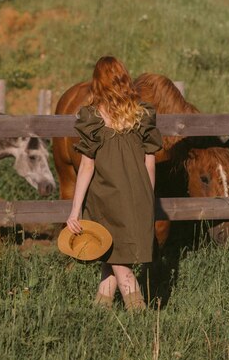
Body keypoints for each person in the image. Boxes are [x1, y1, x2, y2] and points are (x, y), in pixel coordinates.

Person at [66, 56, 163, 310]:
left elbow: (87, 165)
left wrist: (75, 210)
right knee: (110, 255)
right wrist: (147, 199)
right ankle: (100, 312)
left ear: (98, 83)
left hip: (106, 199)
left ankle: (139, 316)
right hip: (138, 196)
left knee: (122, 268)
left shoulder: (93, 117)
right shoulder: (142, 114)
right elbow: (149, 161)